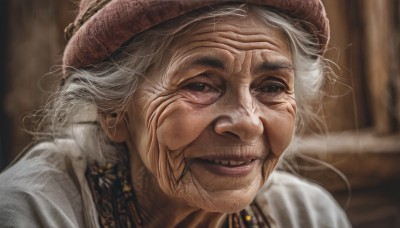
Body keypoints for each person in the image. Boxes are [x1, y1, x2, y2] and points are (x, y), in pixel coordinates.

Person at [0, 0, 352, 227]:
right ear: (113, 111)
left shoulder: (306, 217)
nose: (247, 122)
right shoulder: (32, 214)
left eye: (272, 87)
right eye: (200, 85)